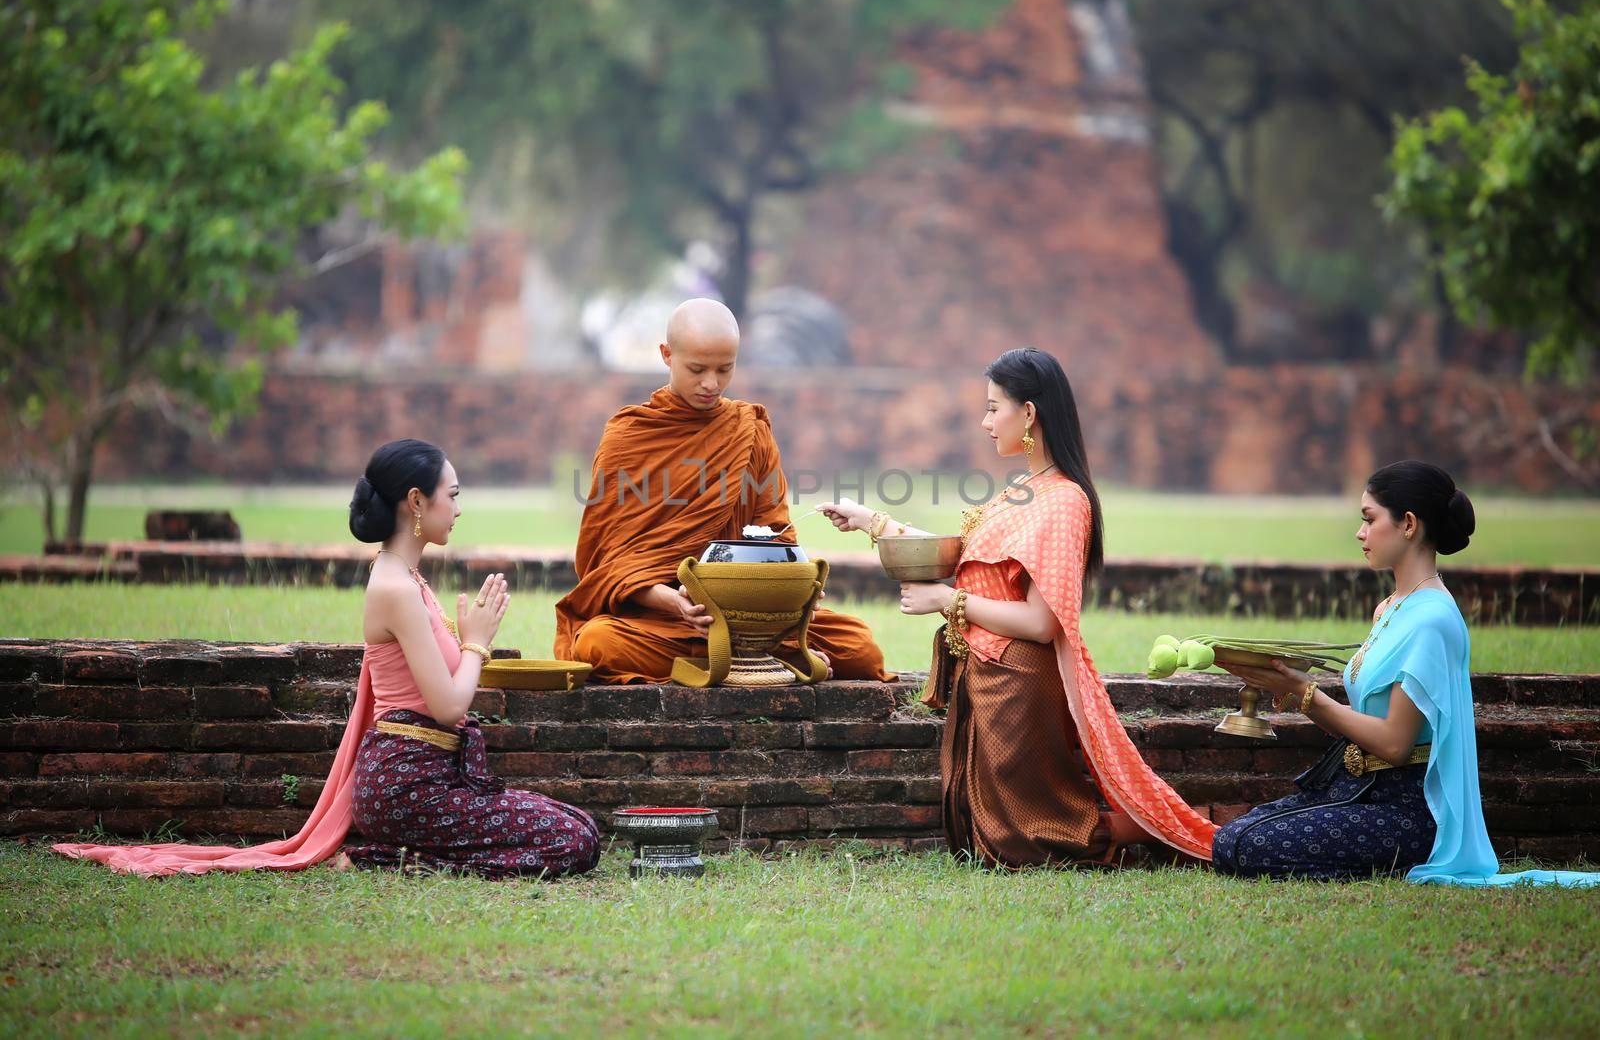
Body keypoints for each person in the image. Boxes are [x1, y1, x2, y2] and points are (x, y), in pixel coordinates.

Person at [55, 439, 600, 879]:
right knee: (573, 842)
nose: (458, 509)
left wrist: (460, 639)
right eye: (451, 495)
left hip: (429, 777)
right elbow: (449, 708)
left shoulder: (406, 577)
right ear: (416, 501)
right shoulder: (395, 588)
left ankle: (396, 857)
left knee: (578, 824)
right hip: (408, 785)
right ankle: (380, 859)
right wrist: (477, 641)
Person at [821, 348, 1214, 868]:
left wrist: (948, 600)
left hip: (1018, 681)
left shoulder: (1065, 501)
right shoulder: (1022, 492)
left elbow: (1041, 622)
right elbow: (958, 557)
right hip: (985, 674)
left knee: (1028, 839)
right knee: (979, 828)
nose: (985, 422)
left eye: (993, 408)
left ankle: (1165, 827)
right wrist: (869, 520)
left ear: (1028, 413)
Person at [1213, 460, 1598, 886]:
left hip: (1408, 811)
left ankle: (1393, 865)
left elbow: (1396, 744)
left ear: (1408, 523)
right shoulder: (1391, 608)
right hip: (1357, 787)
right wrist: (1288, 688)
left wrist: (1307, 694)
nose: (1360, 533)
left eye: (1369, 519)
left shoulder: (1432, 620)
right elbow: (1366, 723)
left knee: (1244, 845)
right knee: (1234, 837)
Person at [556, 298, 891, 684]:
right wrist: (674, 601)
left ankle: (740, 656)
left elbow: (776, 536)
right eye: (696, 369)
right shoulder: (628, 437)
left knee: (860, 649)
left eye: (724, 369)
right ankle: (755, 662)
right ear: (667, 355)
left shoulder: (749, 431)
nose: (711, 384)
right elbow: (607, 562)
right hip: (664, 617)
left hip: (750, 614)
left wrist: (796, 596)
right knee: (598, 644)